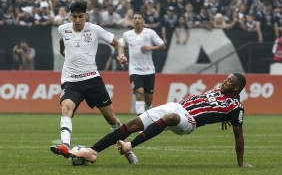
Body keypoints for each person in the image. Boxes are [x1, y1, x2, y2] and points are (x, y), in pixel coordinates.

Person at [69, 73, 254, 168]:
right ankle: (92, 152)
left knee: (170, 118)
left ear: (236, 87)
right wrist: (224, 118)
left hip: (189, 121)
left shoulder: (236, 108)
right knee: (132, 124)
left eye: (229, 81)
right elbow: (216, 107)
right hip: (176, 106)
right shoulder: (219, 91)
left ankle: (129, 146)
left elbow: (239, 135)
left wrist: (240, 163)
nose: (224, 81)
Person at [49, 0, 138, 164]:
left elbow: (117, 42)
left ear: (86, 15)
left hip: (92, 80)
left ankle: (126, 149)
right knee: (66, 108)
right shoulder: (63, 29)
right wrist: (63, 51)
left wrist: (120, 54)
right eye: (74, 17)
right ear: (70, 16)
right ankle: (64, 145)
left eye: (80, 17)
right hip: (71, 81)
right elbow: (63, 41)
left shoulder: (94, 29)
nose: (77, 20)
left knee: (112, 120)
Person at [119, 12, 166, 115]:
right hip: (134, 70)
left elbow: (163, 46)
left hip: (149, 70)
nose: (137, 20)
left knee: (149, 99)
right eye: (135, 18)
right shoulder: (127, 35)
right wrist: (123, 57)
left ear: (143, 21)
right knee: (139, 93)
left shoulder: (150, 33)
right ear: (132, 21)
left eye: (139, 18)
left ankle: (149, 114)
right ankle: (141, 120)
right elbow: (124, 47)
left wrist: (150, 47)